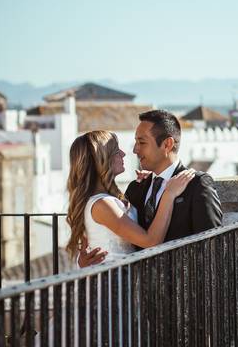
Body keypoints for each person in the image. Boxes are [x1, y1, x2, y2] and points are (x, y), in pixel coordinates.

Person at [77, 109, 224, 267]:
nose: (135, 150)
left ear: (167, 144)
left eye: (142, 142)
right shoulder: (136, 187)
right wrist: (83, 262)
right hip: (139, 286)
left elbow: (212, 246)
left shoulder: (197, 184)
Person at [65, 129, 196, 263]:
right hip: (113, 280)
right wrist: (169, 194)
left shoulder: (103, 199)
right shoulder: (102, 204)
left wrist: (150, 182)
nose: (123, 154)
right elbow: (151, 241)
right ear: (101, 160)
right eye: (116, 151)